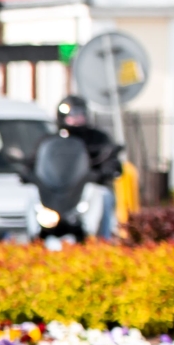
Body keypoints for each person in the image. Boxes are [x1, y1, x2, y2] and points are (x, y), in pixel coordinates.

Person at [55, 96, 125, 239]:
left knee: (101, 194)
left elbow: (110, 157)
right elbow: (39, 159)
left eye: (78, 114)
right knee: (33, 195)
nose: (75, 118)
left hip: (90, 186)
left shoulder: (98, 137)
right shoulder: (53, 139)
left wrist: (106, 170)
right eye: (71, 115)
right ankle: (37, 236)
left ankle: (99, 237)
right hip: (62, 190)